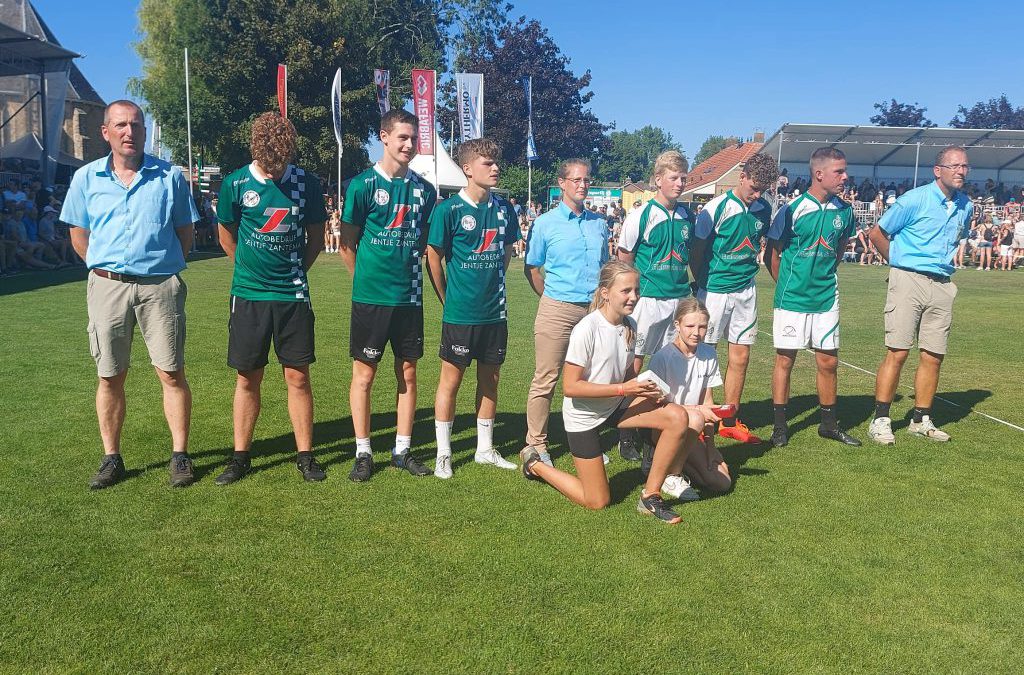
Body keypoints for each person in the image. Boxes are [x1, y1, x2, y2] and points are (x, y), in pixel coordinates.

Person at [60, 99, 199, 489]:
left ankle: (180, 455)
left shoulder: (169, 177)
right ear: (105, 132)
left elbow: (185, 234)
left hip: (160, 286)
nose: (129, 132)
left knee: (171, 372)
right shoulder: (86, 178)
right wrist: (106, 269)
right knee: (109, 375)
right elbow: (78, 234)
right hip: (107, 286)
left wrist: (157, 266)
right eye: (121, 125)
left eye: (136, 125)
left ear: (144, 130)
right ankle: (111, 457)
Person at [519, 261, 702, 525]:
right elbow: (571, 387)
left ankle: (651, 496)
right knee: (597, 501)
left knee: (677, 417)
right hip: (583, 417)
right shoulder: (587, 328)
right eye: (626, 291)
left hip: (615, 406)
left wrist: (647, 390)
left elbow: (625, 375)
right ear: (605, 293)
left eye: (636, 290)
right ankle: (534, 464)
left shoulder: (630, 324)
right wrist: (624, 389)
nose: (634, 297)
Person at [214, 112, 328, 484]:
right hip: (249, 294)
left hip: (292, 294)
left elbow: (316, 238)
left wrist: (295, 272)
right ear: (256, 152)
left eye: (282, 163)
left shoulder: (307, 184)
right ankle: (240, 457)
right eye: (269, 164)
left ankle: (306, 456)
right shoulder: (235, 183)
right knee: (248, 377)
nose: (275, 170)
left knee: (298, 376)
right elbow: (226, 235)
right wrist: (249, 270)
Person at [340, 109, 438, 481]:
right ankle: (363, 451)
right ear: (384, 137)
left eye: (413, 138)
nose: (409, 145)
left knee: (408, 373)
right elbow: (347, 243)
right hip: (371, 299)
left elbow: (423, 244)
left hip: (409, 298)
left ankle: (402, 449)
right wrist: (364, 281)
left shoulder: (425, 191)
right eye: (402, 137)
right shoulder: (362, 185)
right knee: (364, 375)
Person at [425, 138, 520, 478]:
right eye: (487, 163)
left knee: (490, 380)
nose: (495, 168)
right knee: (450, 382)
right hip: (461, 315)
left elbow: (506, 252)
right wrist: (447, 297)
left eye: (496, 162)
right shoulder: (449, 210)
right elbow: (433, 257)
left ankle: (485, 449)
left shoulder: (504, 209)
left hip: (495, 313)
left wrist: (494, 284)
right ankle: (444, 453)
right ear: (467, 168)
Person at [866, 146, 973, 445]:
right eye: (954, 166)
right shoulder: (914, 199)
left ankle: (920, 419)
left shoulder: (966, 205)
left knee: (933, 355)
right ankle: (880, 420)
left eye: (965, 166)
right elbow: (877, 233)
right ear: (938, 171)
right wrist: (898, 264)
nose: (961, 171)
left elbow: (957, 238)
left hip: (943, 284)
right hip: (908, 279)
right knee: (898, 351)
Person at [766, 147, 860, 448]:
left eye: (845, 171)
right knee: (785, 360)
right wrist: (788, 285)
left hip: (826, 298)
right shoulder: (792, 210)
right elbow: (772, 255)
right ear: (819, 174)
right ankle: (780, 427)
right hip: (792, 299)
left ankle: (828, 425)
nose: (845, 177)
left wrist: (823, 276)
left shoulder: (844, 211)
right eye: (839, 172)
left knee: (829, 361)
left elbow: (840, 247)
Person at [522, 159, 609, 468]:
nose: (583, 185)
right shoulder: (545, 223)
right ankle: (536, 443)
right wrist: (550, 298)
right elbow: (532, 268)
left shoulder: (599, 223)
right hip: (557, 309)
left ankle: (587, 443)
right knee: (546, 378)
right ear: (561, 183)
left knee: (589, 379)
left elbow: (605, 267)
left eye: (586, 180)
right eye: (576, 180)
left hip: (593, 311)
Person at [690, 152, 778, 445]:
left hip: (746, 290)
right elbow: (697, 252)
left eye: (762, 190)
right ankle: (702, 420)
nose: (757, 195)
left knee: (741, 356)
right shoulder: (715, 208)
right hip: (714, 290)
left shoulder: (764, 208)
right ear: (742, 177)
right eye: (753, 187)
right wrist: (702, 283)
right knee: (704, 355)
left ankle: (729, 420)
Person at [615, 150, 693, 461]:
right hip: (647, 300)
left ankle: (656, 429)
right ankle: (626, 431)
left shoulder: (687, 215)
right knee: (634, 365)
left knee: (668, 365)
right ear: (658, 180)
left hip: (679, 299)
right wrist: (631, 297)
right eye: (674, 178)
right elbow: (625, 258)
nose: (680, 183)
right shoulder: (641, 215)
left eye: (683, 178)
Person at [646, 297, 731, 499]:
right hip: (665, 427)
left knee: (722, 482)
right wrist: (696, 412)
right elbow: (654, 406)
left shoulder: (709, 354)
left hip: (693, 428)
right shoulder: (662, 358)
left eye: (702, 327)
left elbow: (708, 403)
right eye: (690, 326)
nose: (696, 332)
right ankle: (671, 475)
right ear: (677, 325)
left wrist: (711, 448)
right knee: (695, 417)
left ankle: (668, 464)